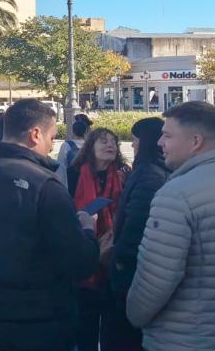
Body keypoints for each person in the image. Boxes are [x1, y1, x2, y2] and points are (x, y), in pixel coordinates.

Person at [0, 99, 100, 351]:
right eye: (51, 138)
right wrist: (88, 230)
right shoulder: (44, 185)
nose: (51, 146)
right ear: (35, 134)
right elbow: (80, 263)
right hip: (36, 328)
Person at [127, 102, 215, 350]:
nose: (160, 142)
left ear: (195, 141)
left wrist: (133, 315)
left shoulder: (176, 194)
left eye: (168, 136)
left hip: (186, 338)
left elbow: (155, 281)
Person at [103, 118, 167, 351]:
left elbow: (136, 225)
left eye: (135, 140)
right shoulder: (155, 170)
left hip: (131, 274)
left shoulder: (148, 174)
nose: (132, 145)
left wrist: (118, 259)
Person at [66, 128, 130, 351]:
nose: (110, 145)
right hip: (84, 251)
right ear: (90, 146)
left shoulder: (123, 174)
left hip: (113, 254)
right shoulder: (74, 173)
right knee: (86, 325)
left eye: (113, 142)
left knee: (112, 326)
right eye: (103, 142)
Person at [56, 119, 90, 187]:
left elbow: (61, 165)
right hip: (87, 180)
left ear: (73, 131)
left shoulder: (66, 145)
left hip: (71, 180)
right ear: (85, 131)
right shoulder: (90, 146)